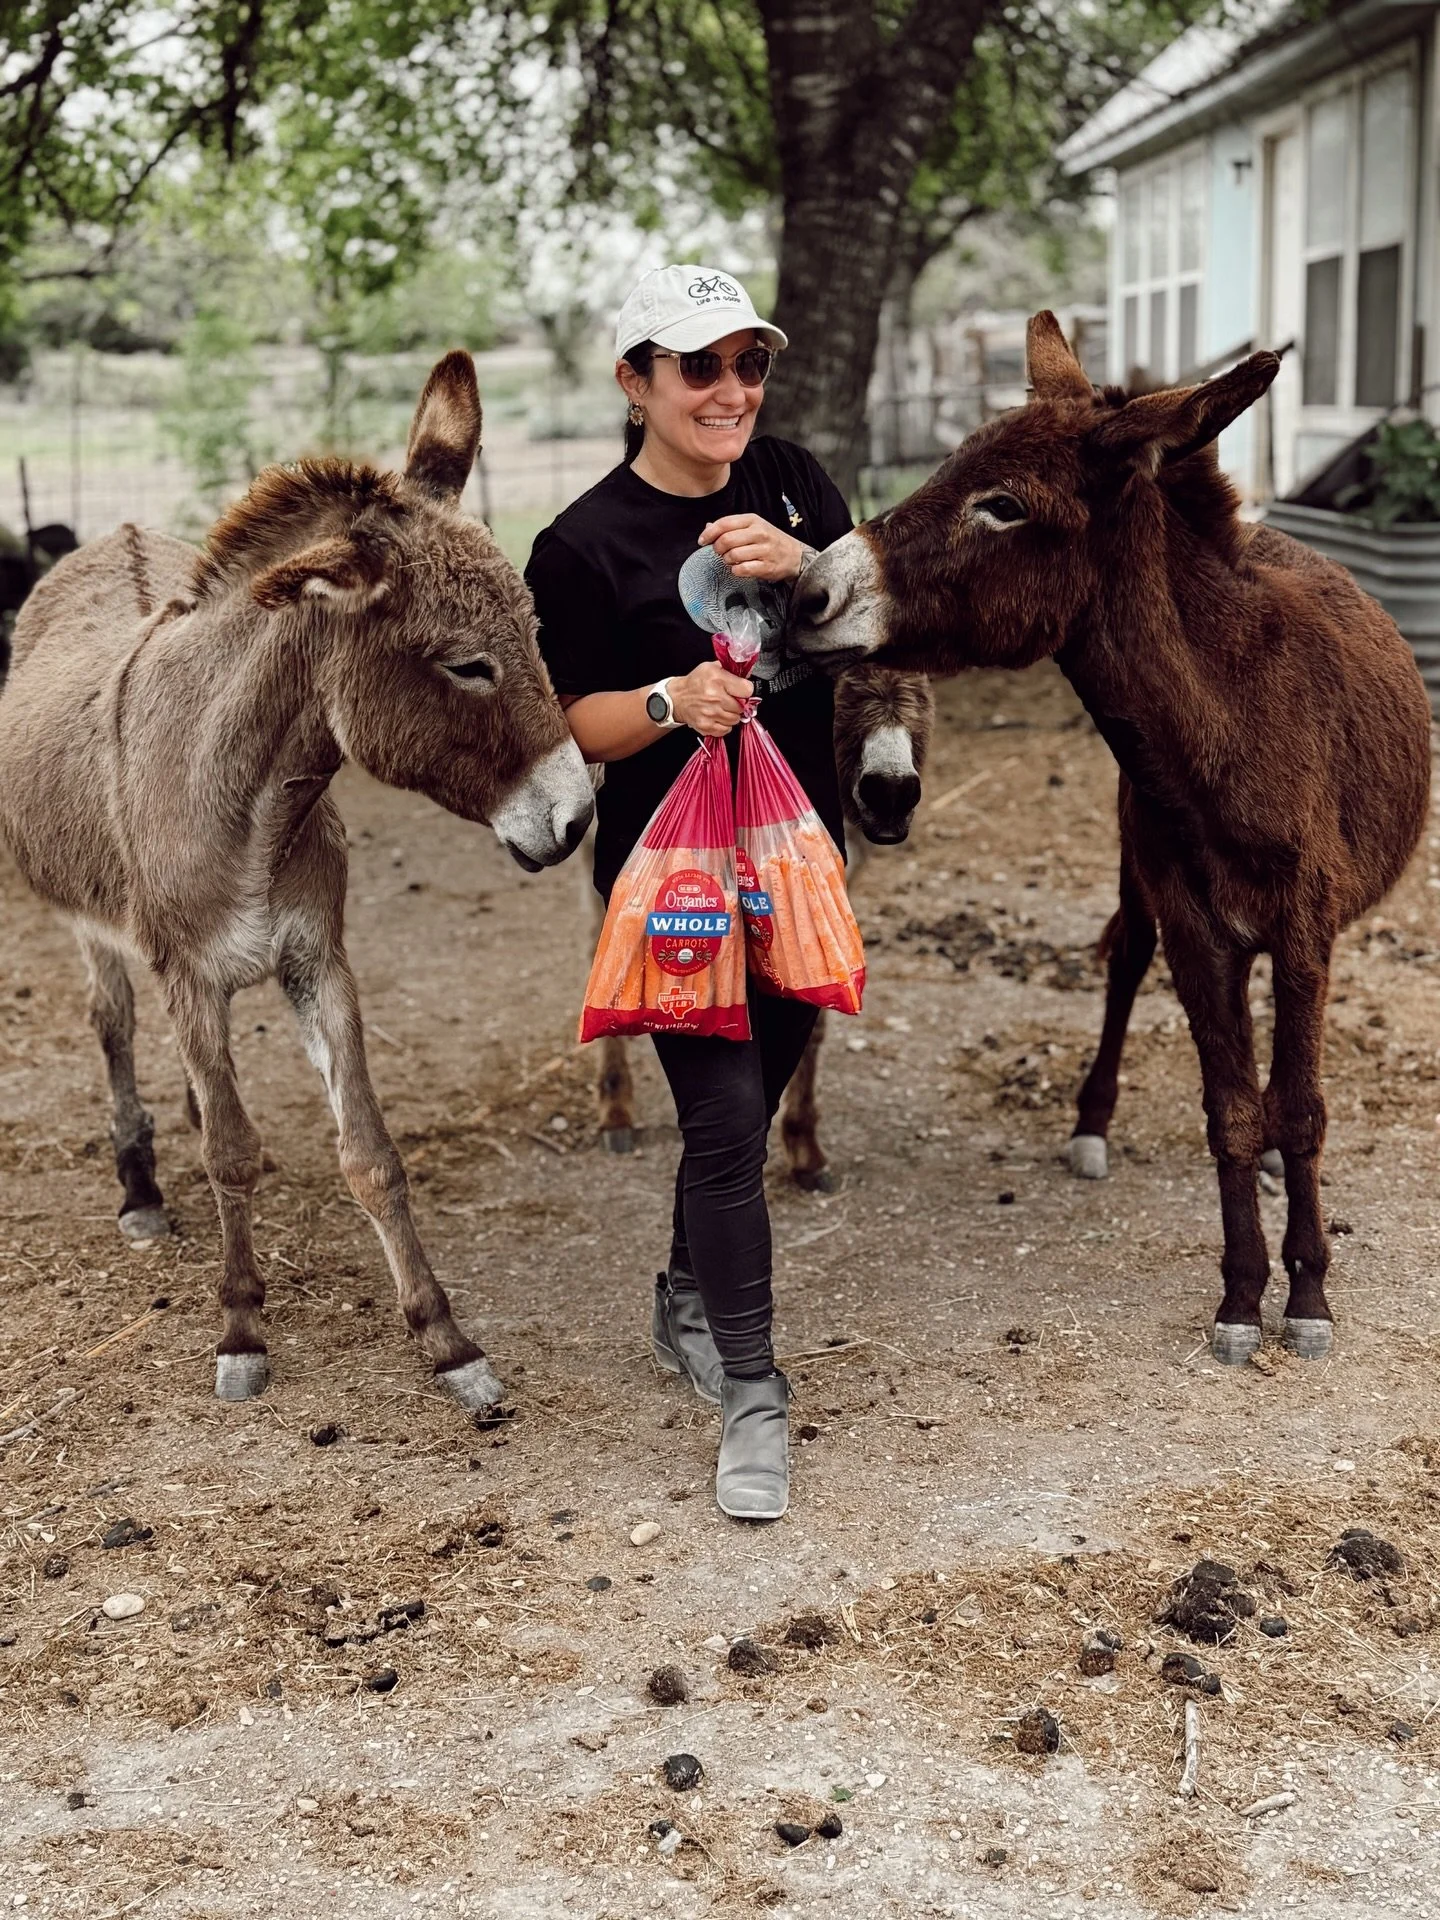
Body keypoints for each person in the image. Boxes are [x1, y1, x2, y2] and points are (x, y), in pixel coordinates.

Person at [525, 264, 853, 1521]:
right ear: (636, 382)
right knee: (722, 1126)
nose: (732, 392)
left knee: (755, 1104)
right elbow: (573, 727)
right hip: (673, 879)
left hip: (797, 860)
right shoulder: (581, 545)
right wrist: (671, 701)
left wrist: (809, 564)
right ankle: (754, 1398)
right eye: (699, 367)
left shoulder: (793, 484)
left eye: (748, 365)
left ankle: (682, 1299)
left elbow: (867, 624)